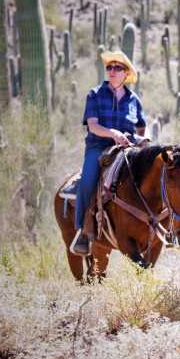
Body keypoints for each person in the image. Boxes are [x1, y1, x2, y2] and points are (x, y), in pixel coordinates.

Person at [70, 51, 145, 256]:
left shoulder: (133, 100)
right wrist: (112, 133)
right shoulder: (95, 94)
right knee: (87, 181)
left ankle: (157, 224)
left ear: (126, 73)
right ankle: (82, 232)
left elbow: (141, 127)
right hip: (98, 147)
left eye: (117, 67)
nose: (111, 71)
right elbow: (93, 126)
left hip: (126, 149)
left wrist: (139, 142)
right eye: (109, 67)